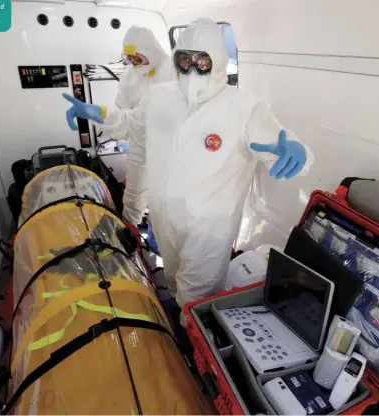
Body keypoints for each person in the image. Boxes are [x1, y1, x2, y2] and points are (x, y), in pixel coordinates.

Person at [62, 18, 314, 308]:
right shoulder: (158, 96)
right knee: (172, 277)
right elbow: (131, 126)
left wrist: (298, 151)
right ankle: (177, 326)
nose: (192, 67)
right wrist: (99, 113)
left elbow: (276, 143)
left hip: (209, 226)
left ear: (217, 61)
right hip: (163, 216)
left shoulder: (245, 107)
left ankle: (190, 344)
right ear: (176, 59)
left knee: (197, 296)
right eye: (185, 59)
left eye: (202, 60)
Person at [66, 25, 174, 225]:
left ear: (151, 52)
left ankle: (159, 236)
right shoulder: (129, 75)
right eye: (130, 59)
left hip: (170, 149)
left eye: (138, 58)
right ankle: (130, 236)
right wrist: (102, 115)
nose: (134, 63)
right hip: (140, 142)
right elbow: (127, 118)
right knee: (133, 196)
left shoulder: (172, 71)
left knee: (166, 200)